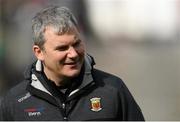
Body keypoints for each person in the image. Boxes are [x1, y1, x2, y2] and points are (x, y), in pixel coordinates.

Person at [0, 6, 144, 121]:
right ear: (39, 52)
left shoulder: (113, 90)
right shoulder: (14, 102)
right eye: (62, 48)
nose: (73, 54)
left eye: (77, 44)